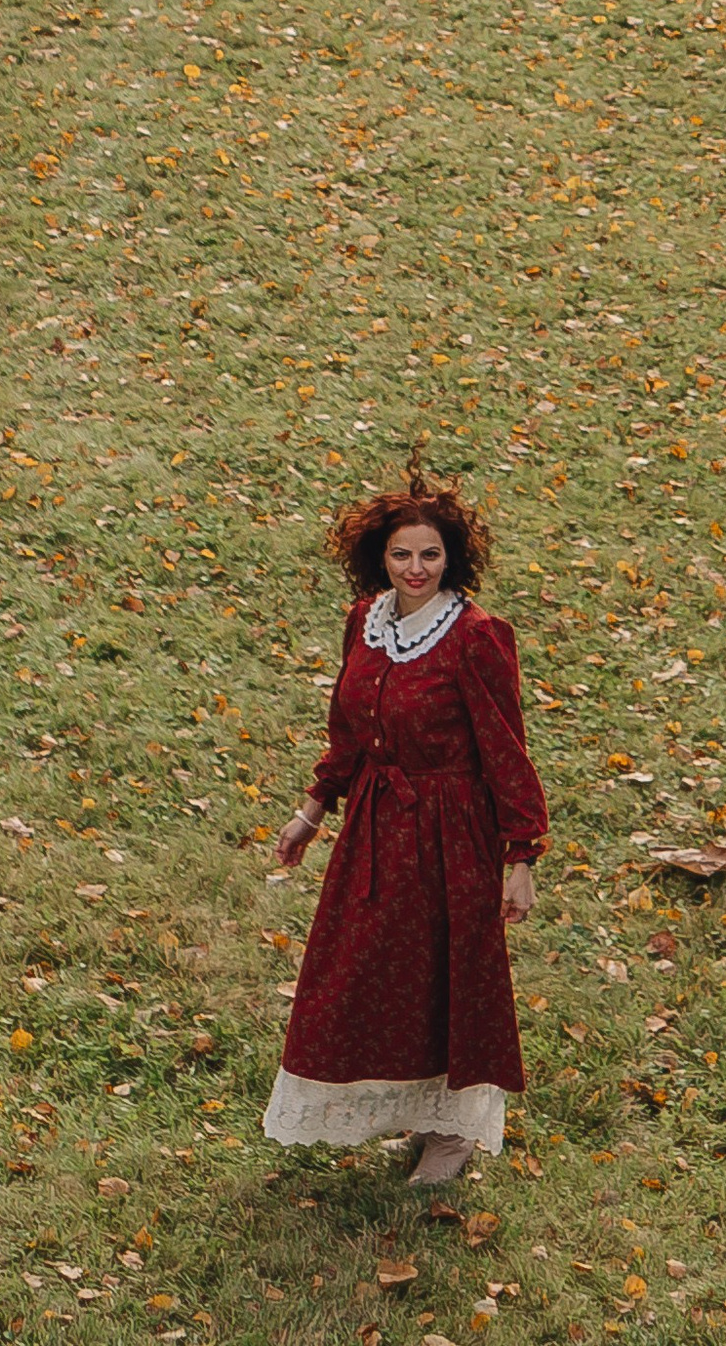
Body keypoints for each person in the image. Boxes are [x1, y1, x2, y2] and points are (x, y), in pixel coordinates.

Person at [262, 472, 547, 1187]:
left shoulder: (477, 636)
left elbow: (504, 749)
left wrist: (522, 856)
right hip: (375, 829)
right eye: (401, 556)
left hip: (451, 831)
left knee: (450, 976)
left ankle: (452, 1131)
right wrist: (310, 813)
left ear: (451, 558)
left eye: (430, 555)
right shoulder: (366, 621)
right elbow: (348, 732)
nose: (416, 569)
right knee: (374, 975)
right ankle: (422, 1113)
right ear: (378, 559)